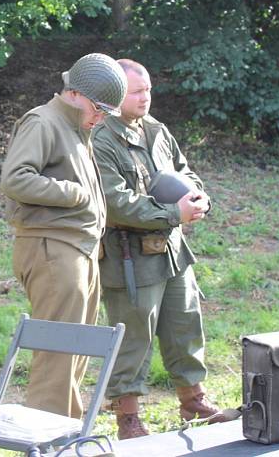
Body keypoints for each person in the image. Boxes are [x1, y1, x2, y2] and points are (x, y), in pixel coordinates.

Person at [92, 59, 222, 439]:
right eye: (136, 91)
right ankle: (128, 417)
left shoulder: (157, 130)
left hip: (172, 251)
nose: (145, 97)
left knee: (185, 324)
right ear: (116, 95)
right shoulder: (102, 139)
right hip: (130, 255)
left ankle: (193, 399)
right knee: (133, 336)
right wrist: (173, 212)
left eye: (148, 89)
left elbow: (185, 171)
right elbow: (115, 202)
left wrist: (198, 198)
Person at [0, 53, 127, 418]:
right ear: (75, 93)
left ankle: (67, 434)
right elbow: (15, 179)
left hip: (78, 251)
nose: (101, 118)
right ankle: (47, 442)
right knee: (57, 356)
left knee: (76, 350)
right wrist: (73, 193)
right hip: (53, 250)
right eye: (99, 108)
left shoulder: (75, 127)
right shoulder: (44, 122)